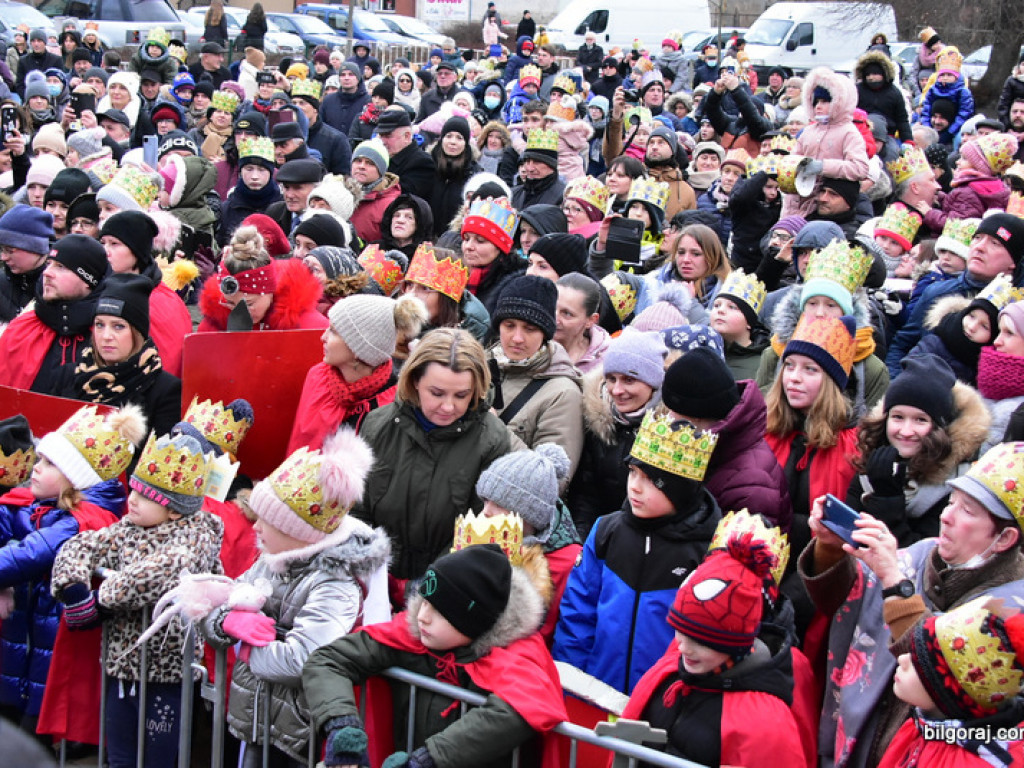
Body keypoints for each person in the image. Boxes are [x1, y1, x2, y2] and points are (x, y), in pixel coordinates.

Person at [799, 439, 1024, 768]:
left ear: (1004, 538)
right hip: (864, 738)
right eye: (951, 501)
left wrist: (893, 581)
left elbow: (935, 672)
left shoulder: (1013, 608)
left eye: (967, 510)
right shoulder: (921, 552)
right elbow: (840, 604)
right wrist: (831, 547)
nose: (946, 516)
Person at [199, 430, 390, 768]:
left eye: (267, 522)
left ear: (298, 531)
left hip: (300, 732)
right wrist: (223, 621)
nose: (255, 528)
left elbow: (305, 660)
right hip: (259, 719)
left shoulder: (335, 583)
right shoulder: (272, 559)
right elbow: (221, 601)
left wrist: (242, 649)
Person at [303, 543, 567, 768]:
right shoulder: (411, 633)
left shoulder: (519, 657)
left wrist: (428, 759)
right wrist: (342, 725)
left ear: (472, 620)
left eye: (440, 610)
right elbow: (328, 660)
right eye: (424, 601)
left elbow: (520, 709)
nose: (421, 616)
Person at [52, 429, 222, 768]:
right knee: (120, 758)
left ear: (174, 511)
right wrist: (73, 590)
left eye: (145, 497)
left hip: (167, 674)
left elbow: (163, 569)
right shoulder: (127, 527)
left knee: (155, 760)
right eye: (134, 490)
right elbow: (80, 546)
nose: (132, 501)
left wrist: (101, 601)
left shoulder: (197, 536)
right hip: (121, 667)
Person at [553, 410, 723, 693]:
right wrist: (573, 681)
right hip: (596, 690)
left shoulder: (707, 550)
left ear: (680, 489)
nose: (634, 487)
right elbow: (578, 612)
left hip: (665, 699)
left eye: (651, 480)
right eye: (633, 472)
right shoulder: (607, 531)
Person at [0, 405, 138, 733]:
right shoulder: (29, 505)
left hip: (55, 643)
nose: (35, 467)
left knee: (34, 735)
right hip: (24, 639)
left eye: (50, 464)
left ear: (73, 481)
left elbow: (28, 556)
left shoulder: (82, 521)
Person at [621, 529, 805, 767]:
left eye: (700, 640)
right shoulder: (670, 669)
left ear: (733, 642)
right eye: (680, 632)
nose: (683, 647)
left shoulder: (765, 723)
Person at [354, 328, 511, 585]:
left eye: (462, 395)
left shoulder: (492, 440)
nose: (448, 406)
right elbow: (357, 509)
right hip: (374, 578)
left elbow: (480, 528)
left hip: (445, 587)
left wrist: (430, 584)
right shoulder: (378, 425)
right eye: (437, 393)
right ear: (415, 381)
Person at [848, 354, 990, 547]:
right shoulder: (873, 463)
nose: (906, 431)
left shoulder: (956, 485)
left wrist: (888, 501)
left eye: (920, 420)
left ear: (939, 428)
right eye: (898, 417)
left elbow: (924, 559)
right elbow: (850, 535)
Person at [878, 598, 1024, 768]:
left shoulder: (970, 763)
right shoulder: (922, 727)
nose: (902, 659)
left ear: (947, 692)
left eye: (919, 664)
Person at [663, 345, 793, 531]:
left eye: (673, 411)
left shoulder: (750, 484)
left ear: (695, 414)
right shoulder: (714, 448)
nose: (668, 419)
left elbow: (741, 555)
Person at [288, 294, 427, 453]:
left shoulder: (396, 402)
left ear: (357, 349)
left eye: (333, 331)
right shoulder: (318, 377)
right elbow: (298, 451)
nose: (323, 337)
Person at [566, 328, 667, 539]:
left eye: (629, 380)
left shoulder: (670, 430)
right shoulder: (597, 420)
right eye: (611, 378)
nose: (617, 390)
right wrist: (582, 543)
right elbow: (585, 495)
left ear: (653, 383)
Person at [476, 444, 581, 643]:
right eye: (485, 501)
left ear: (530, 516)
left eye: (499, 505)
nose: (485, 512)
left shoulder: (567, 564)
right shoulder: (480, 536)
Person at [489, 275, 585, 477]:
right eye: (509, 325)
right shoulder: (477, 365)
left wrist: (492, 426)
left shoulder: (562, 393)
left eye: (529, 329)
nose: (517, 338)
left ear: (545, 333)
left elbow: (553, 481)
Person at [72, 273, 182, 440]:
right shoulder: (72, 376)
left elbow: (159, 459)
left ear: (137, 333)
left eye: (118, 327)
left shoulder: (165, 390)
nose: (106, 335)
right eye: (99, 325)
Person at [0, 234, 110, 394]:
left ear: (88, 279)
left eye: (61, 267)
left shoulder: (110, 333)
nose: (47, 273)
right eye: (49, 264)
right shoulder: (21, 329)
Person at [97, 210, 193, 377]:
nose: (105, 251)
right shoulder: (108, 288)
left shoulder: (158, 301)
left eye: (114, 244)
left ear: (137, 251)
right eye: (103, 242)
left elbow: (167, 363)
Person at [198, 226, 328, 333]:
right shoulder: (213, 326)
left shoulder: (309, 327)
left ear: (270, 290)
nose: (240, 312)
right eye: (230, 303)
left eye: (249, 304)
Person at [401, 244, 490, 343]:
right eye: (409, 284)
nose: (411, 294)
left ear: (447, 298)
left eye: (426, 288)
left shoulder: (466, 343)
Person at [461, 198, 524, 315]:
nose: (469, 246)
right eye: (466, 239)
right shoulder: (456, 274)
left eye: (480, 241)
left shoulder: (512, 286)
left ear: (500, 248)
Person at [429, 117, 482, 237]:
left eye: (459, 138)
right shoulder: (427, 165)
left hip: (456, 239)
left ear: (466, 143)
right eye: (448, 136)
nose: (453, 142)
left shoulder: (473, 174)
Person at [0, 204, 51, 323]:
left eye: (10, 250)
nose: (3, 257)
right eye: (2, 249)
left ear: (35, 249)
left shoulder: (56, 288)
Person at [552, 272, 609, 373]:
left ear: (591, 320)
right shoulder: (529, 345)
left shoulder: (604, 363)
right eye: (551, 308)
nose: (555, 319)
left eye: (567, 314)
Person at [376, 109, 435, 202]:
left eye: (387, 136)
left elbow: (403, 198)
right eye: (380, 135)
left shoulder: (422, 163)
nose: (382, 141)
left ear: (407, 136)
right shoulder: (381, 158)